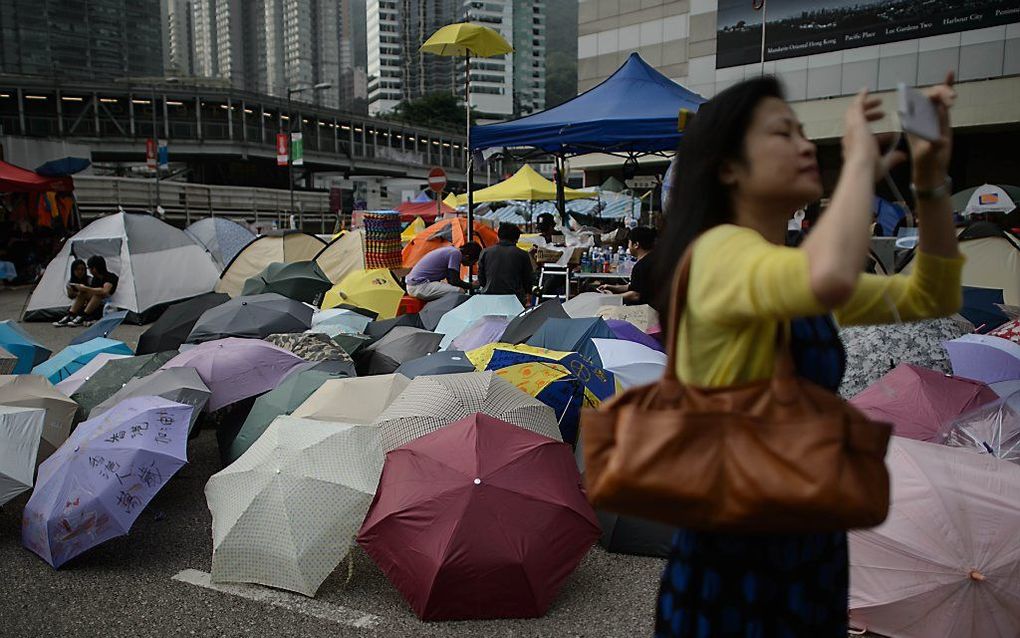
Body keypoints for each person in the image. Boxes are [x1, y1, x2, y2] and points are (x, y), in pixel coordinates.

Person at [651, 73, 960, 637]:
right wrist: (861, 158)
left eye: (802, 132)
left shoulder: (786, 271)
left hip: (809, 537)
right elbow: (831, 272)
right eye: (781, 132)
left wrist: (931, 180)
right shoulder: (720, 253)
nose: (803, 145)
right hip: (739, 553)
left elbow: (930, 295)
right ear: (728, 167)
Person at [53, 255, 120, 327]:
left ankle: (83, 316)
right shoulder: (95, 279)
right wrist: (81, 291)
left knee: (98, 295)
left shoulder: (110, 277)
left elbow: (104, 291)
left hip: (109, 305)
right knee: (83, 293)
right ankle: (70, 315)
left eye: (89, 268)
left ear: (94, 269)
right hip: (96, 305)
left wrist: (85, 288)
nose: (89, 271)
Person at [597, 226, 656, 305]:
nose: (628, 246)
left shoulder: (642, 266)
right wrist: (611, 287)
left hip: (646, 310)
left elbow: (636, 295)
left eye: (629, 242)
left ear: (636, 245)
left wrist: (612, 297)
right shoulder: (654, 259)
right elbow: (635, 286)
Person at [477, 223, 534, 304]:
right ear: (517, 239)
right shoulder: (522, 254)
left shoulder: (485, 252)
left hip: (489, 298)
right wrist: (528, 294)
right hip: (514, 300)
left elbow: (481, 279)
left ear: (498, 236)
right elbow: (527, 279)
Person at [405, 242, 481, 301]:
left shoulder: (451, 251)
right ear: (467, 256)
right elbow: (455, 281)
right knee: (459, 291)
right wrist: (472, 285)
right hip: (419, 286)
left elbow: (451, 281)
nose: (472, 264)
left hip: (414, 285)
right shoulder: (455, 254)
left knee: (454, 289)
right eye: (473, 262)